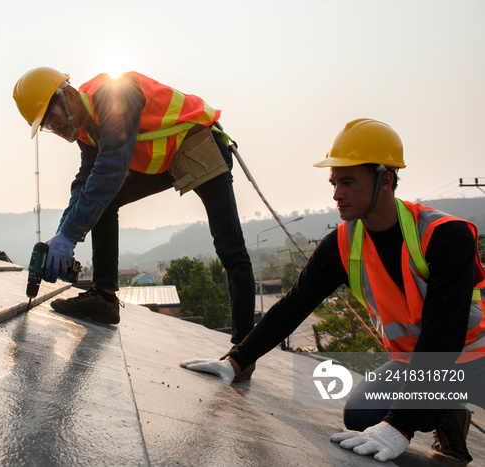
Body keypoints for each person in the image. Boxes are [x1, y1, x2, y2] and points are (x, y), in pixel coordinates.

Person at [180, 118, 485, 464]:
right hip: (417, 364)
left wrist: (400, 426)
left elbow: (444, 335)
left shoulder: (446, 235)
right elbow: (294, 305)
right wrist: (237, 360)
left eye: (348, 182)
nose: (337, 193)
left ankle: (438, 404)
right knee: (360, 416)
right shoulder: (344, 242)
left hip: (476, 359)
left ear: (385, 180)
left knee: (393, 419)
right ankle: (447, 413)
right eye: (334, 182)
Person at [13, 67, 256, 367]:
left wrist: (70, 236)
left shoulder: (116, 95)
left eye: (53, 120)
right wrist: (62, 237)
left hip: (198, 143)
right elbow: (85, 183)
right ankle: (104, 298)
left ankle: (243, 352)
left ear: (70, 96)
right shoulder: (85, 129)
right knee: (103, 198)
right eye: (47, 126)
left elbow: (112, 168)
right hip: (168, 159)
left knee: (230, 248)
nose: (55, 129)